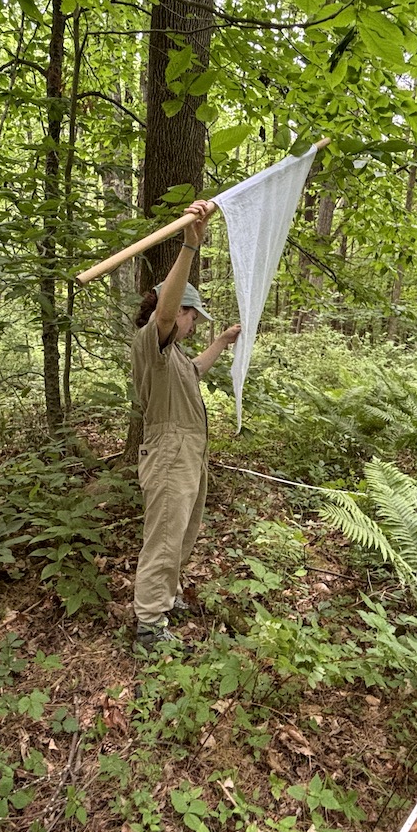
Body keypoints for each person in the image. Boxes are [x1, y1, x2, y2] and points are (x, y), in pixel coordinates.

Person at [130, 199, 241, 652]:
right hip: (169, 453)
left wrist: (221, 341)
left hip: (189, 454)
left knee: (183, 532)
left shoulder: (174, 357)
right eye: (194, 317)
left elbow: (194, 369)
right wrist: (189, 246)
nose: (194, 325)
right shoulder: (152, 342)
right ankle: (149, 627)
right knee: (164, 537)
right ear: (180, 311)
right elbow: (164, 313)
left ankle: (167, 598)